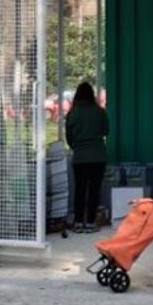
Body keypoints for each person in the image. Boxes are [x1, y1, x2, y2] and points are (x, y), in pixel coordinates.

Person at [65, 81, 108, 233]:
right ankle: (90, 222)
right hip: (98, 156)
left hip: (80, 157)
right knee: (94, 190)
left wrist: (77, 147)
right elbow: (106, 131)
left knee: (80, 189)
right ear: (91, 95)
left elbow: (69, 137)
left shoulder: (72, 113)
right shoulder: (100, 111)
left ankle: (77, 222)